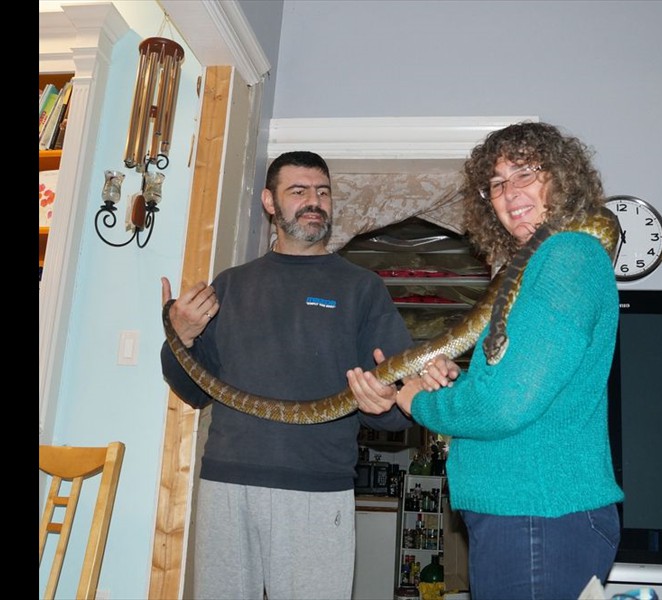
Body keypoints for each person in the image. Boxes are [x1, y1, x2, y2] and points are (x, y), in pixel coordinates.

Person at [349, 121, 625, 600]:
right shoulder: (541, 265)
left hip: (537, 516)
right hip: (527, 515)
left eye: (525, 173)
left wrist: (418, 403)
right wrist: (455, 384)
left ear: (562, 177)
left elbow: (505, 405)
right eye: (496, 183)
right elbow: (521, 386)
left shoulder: (567, 255)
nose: (509, 192)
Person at [160, 150, 432, 600]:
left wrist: (385, 405)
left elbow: (399, 402)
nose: (314, 202)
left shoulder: (362, 288)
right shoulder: (230, 284)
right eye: (299, 191)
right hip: (227, 483)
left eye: (323, 192)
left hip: (317, 489)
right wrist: (181, 336)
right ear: (270, 202)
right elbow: (193, 389)